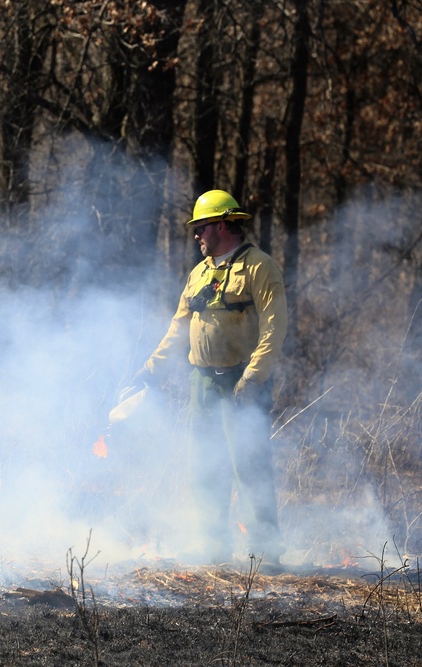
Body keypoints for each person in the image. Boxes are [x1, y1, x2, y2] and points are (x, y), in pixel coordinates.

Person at [132, 190, 288, 566]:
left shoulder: (259, 267)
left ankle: (266, 554)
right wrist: (149, 370)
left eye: (201, 228)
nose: (197, 236)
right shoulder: (200, 273)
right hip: (202, 382)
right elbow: (179, 327)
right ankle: (212, 548)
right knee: (204, 464)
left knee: (248, 465)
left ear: (221, 224)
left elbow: (274, 327)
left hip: (242, 382)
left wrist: (253, 379)